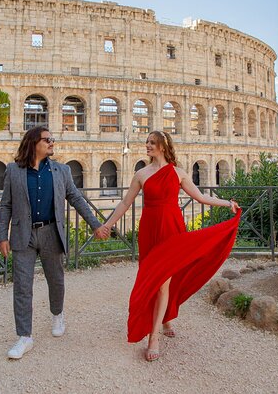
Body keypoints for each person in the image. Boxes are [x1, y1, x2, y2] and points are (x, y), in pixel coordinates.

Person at [95, 130, 241, 362]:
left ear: (162, 146)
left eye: (152, 143)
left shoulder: (178, 173)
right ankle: (164, 318)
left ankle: (154, 337)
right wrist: (107, 224)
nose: (147, 146)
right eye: (147, 142)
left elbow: (201, 197)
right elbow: (125, 202)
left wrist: (226, 203)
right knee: (152, 277)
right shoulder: (141, 174)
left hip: (172, 230)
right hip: (150, 231)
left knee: (163, 283)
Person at [0, 126, 108, 359]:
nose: (52, 143)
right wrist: (2, 235)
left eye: (52, 140)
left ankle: (57, 314)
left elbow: (76, 198)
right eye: (47, 140)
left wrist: (95, 224)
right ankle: (24, 337)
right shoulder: (13, 171)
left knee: (56, 281)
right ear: (33, 142)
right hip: (23, 235)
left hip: (51, 232)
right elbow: (5, 204)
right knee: (22, 286)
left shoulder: (62, 170)